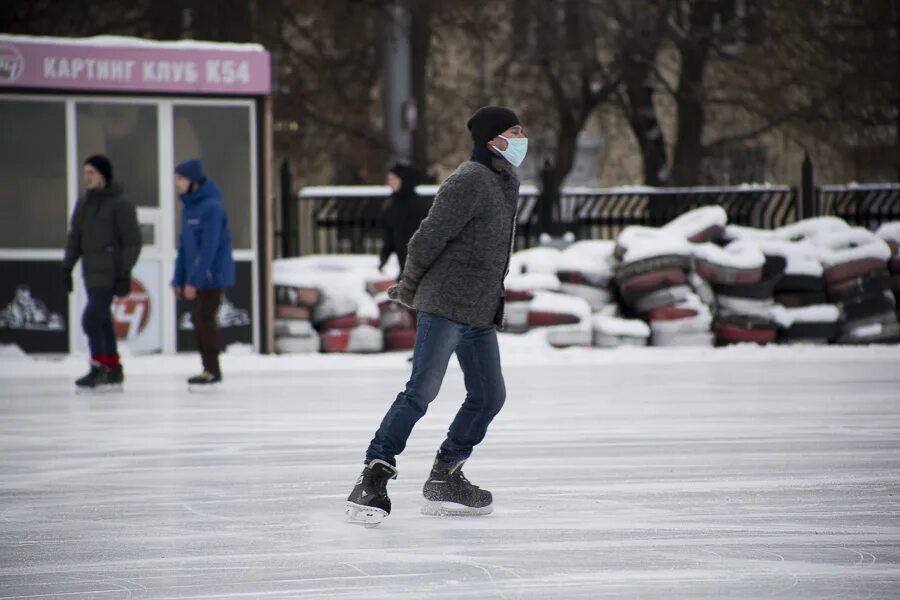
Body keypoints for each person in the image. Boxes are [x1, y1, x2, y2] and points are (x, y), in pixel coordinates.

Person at [346, 106, 527, 525]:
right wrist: (409, 287)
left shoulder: (504, 180)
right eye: (513, 131)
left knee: (488, 396)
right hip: (445, 304)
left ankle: (446, 474)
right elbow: (427, 238)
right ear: (491, 139)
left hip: (479, 310)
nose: (521, 138)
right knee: (421, 392)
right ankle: (374, 474)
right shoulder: (469, 180)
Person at [63, 155, 142, 389]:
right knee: (103, 321)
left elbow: (132, 242)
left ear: (104, 175)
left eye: (92, 173)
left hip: (110, 274)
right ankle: (112, 368)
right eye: (85, 172)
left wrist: (123, 273)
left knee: (91, 320)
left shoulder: (121, 204)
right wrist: (67, 265)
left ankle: (99, 368)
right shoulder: (84, 203)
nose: (87, 177)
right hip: (91, 273)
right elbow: (75, 236)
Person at [171, 158, 235, 386]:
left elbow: (210, 247)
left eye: (181, 178)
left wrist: (195, 280)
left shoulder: (212, 208)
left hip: (212, 276)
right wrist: (178, 279)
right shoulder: (189, 209)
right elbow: (184, 247)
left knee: (203, 317)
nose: (177, 183)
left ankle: (213, 369)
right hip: (196, 277)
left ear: (193, 181)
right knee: (199, 319)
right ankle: (208, 367)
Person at [378, 162, 431, 278]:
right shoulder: (391, 204)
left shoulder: (419, 205)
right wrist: (384, 258)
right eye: (389, 179)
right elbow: (390, 234)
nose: (390, 183)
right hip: (404, 265)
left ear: (404, 180)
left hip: (421, 265)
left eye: (394, 179)